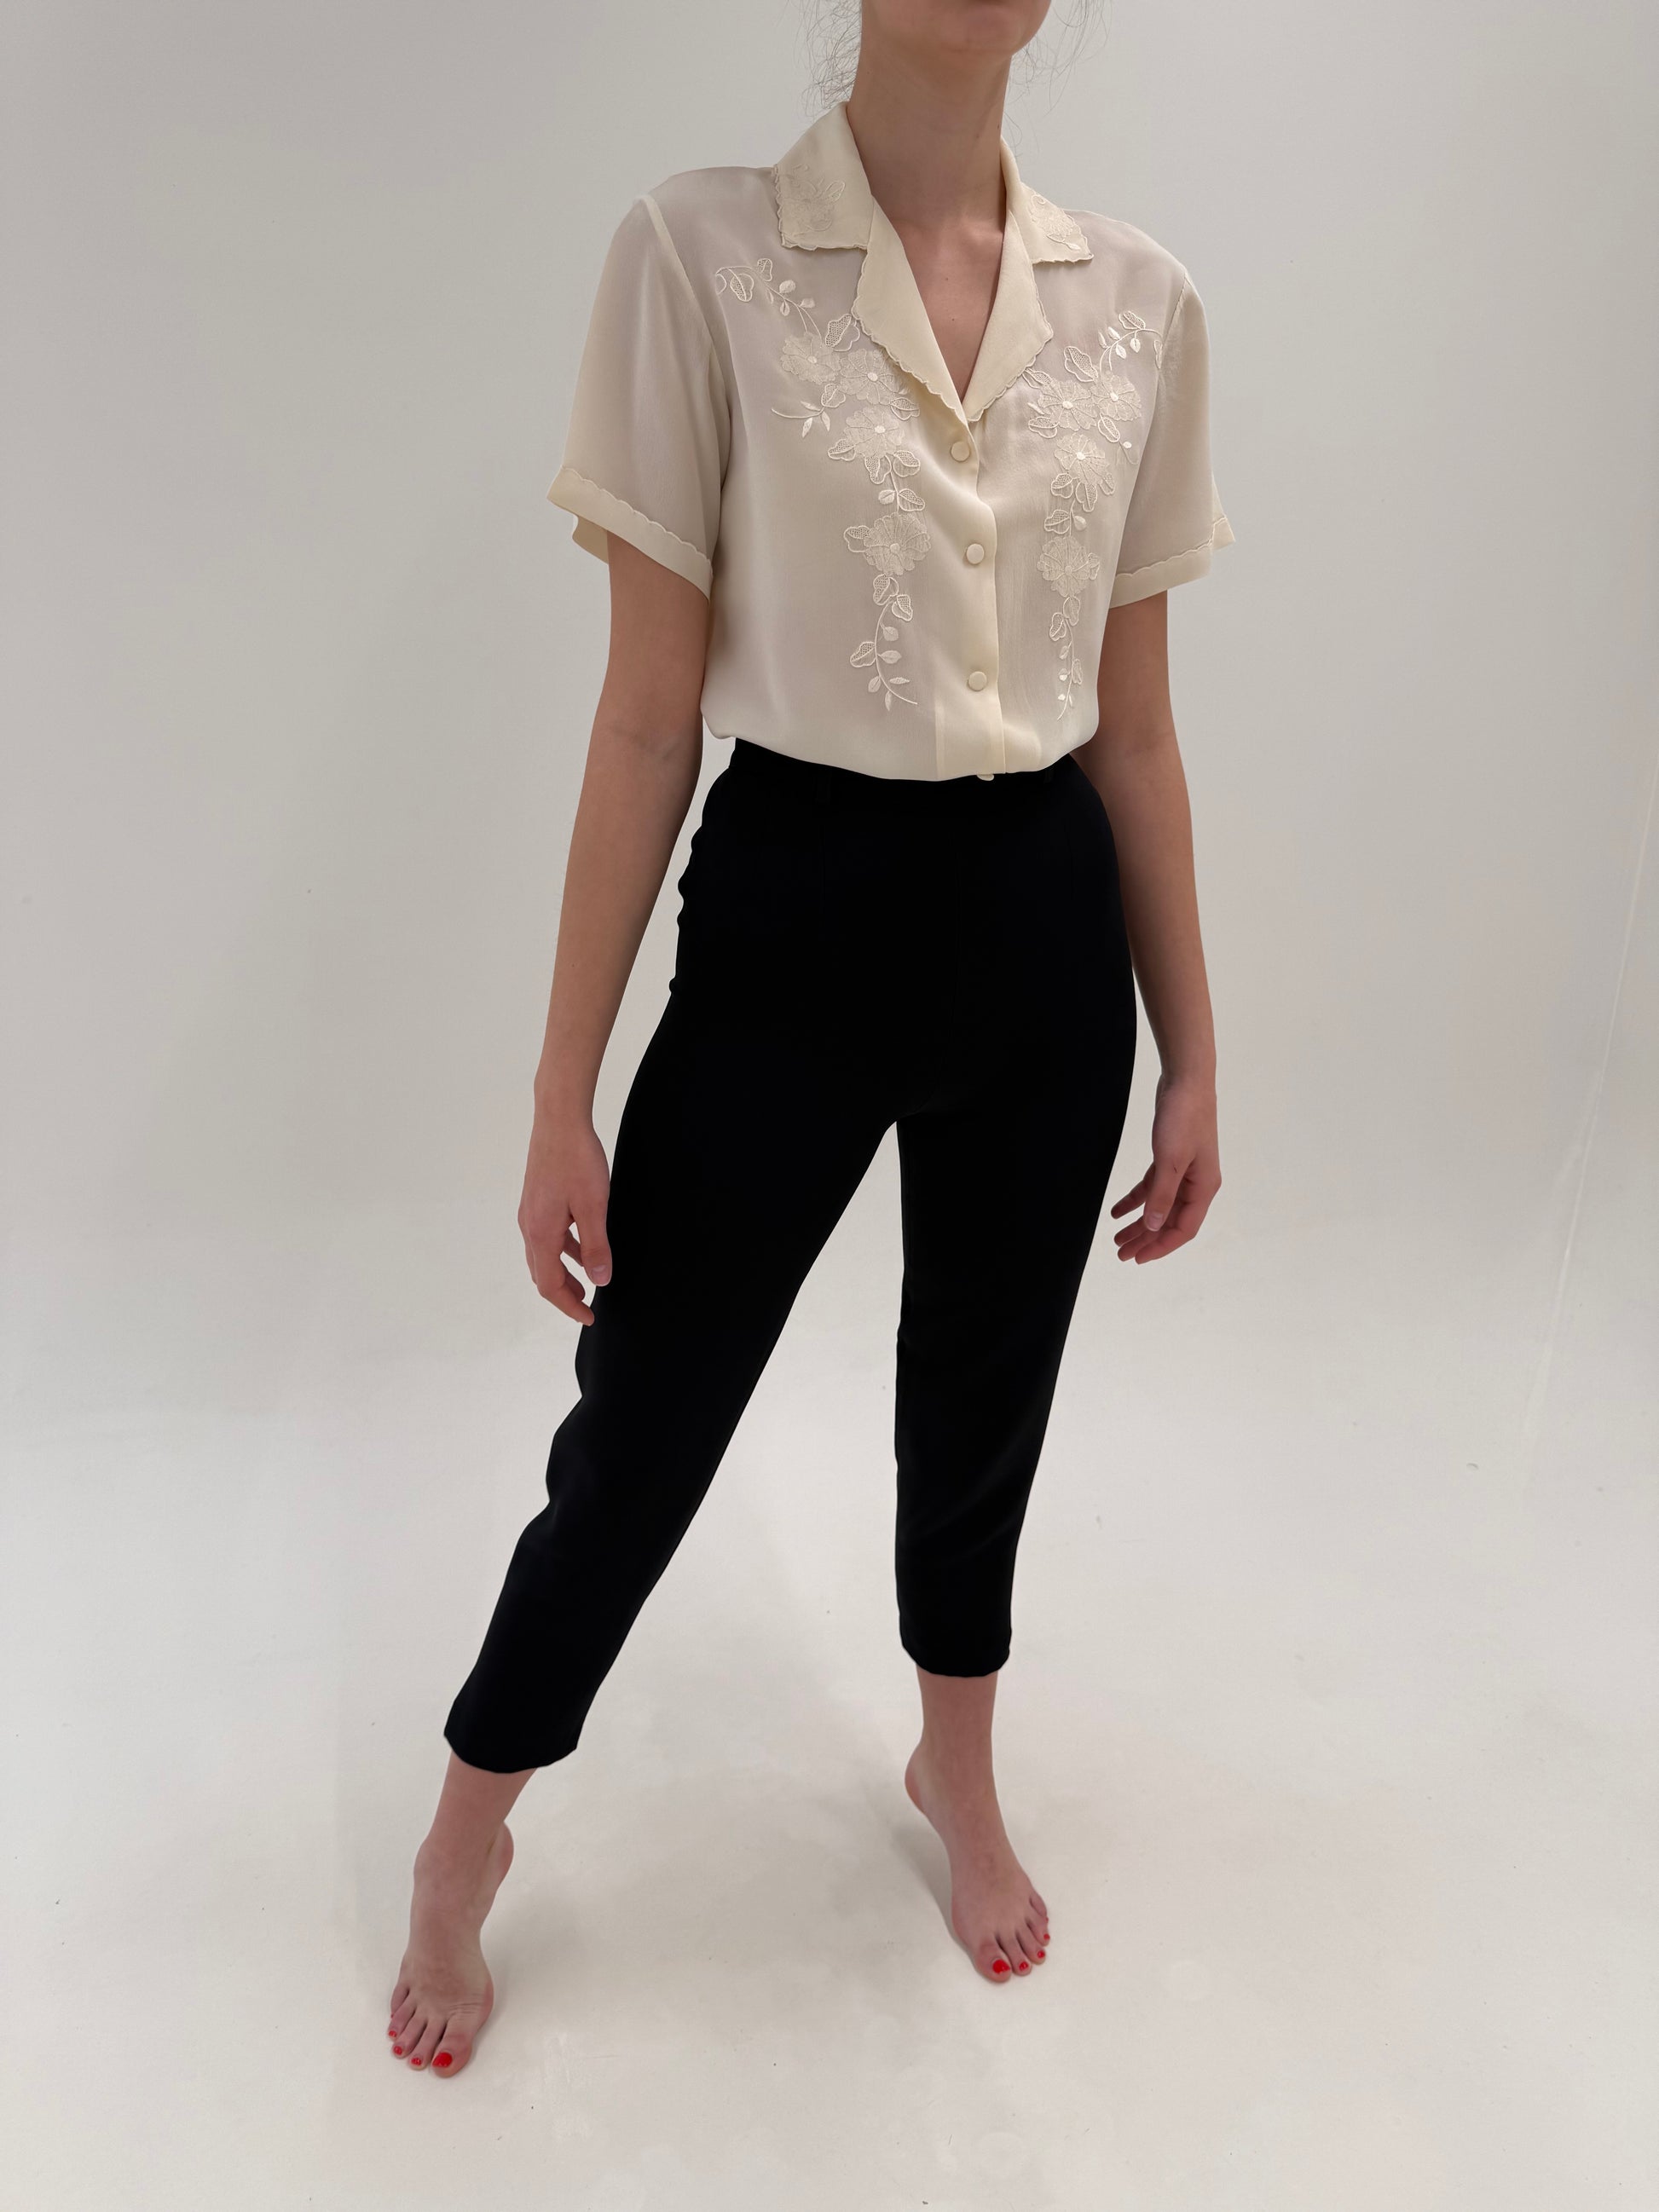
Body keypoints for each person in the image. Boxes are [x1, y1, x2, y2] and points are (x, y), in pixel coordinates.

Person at [387, 0, 1232, 2076]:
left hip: (1044, 929)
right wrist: (559, 1087)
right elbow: (643, 719)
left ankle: (957, 1762)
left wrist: (1195, 1044)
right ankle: (469, 1817)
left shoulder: (1138, 301)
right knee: (647, 1413)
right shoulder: (697, 258)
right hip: (796, 916)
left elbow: (1133, 728)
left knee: (985, 1395)